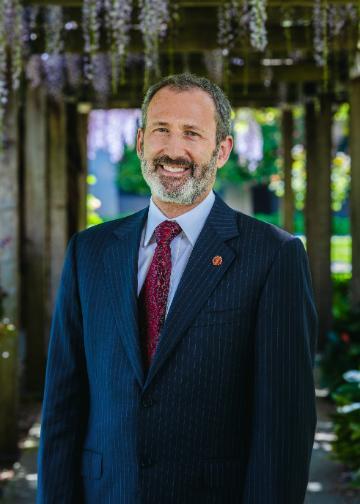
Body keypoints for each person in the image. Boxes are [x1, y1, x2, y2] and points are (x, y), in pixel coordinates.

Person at [37, 73, 318, 504]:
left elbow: (284, 424)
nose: (173, 150)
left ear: (222, 149)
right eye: (161, 130)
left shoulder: (273, 257)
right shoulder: (88, 253)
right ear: (139, 142)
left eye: (192, 133)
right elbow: (63, 404)